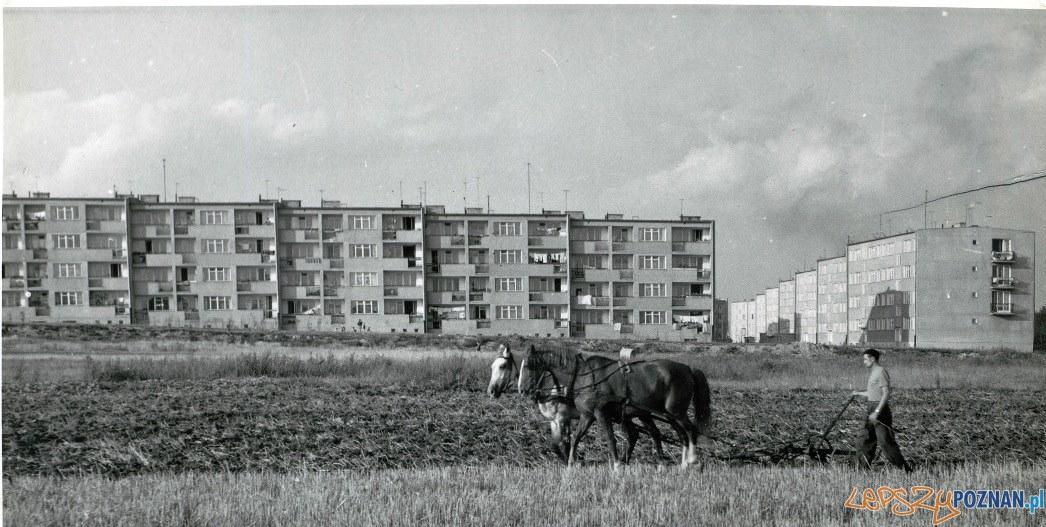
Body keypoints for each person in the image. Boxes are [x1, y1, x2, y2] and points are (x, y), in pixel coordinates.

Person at [851, 348, 911, 471]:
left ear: (872, 359)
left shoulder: (881, 371)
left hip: (880, 410)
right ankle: (863, 469)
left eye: (865, 359)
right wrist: (858, 393)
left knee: (885, 443)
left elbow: (886, 393)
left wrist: (877, 412)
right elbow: (873, 393)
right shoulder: (873, 372)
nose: (864, 362)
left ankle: (905, 470)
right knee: (864, 439)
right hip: (871, 407)